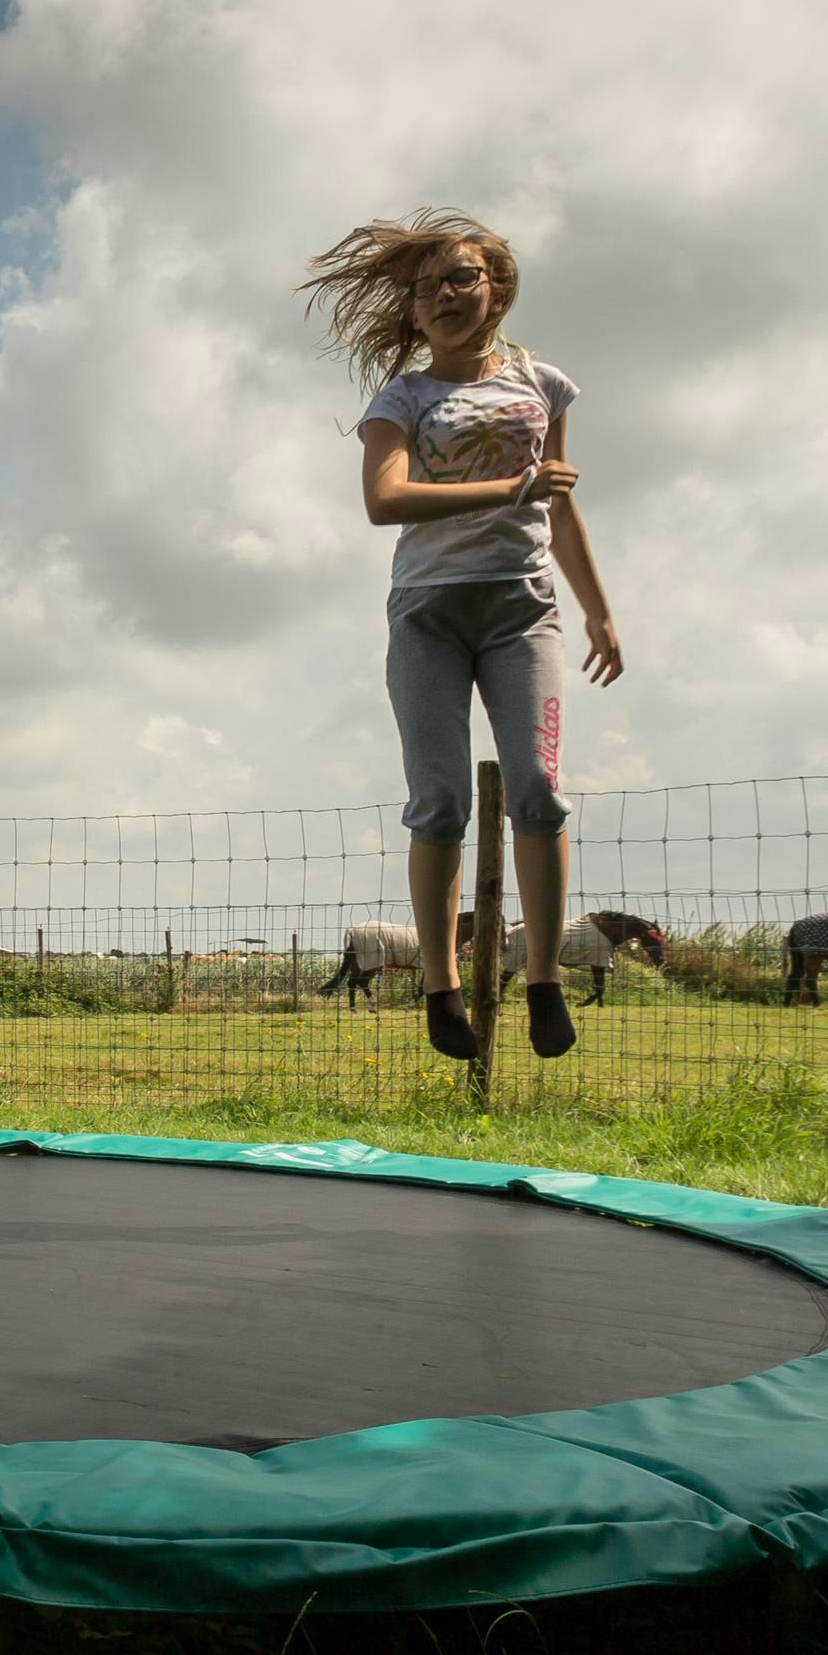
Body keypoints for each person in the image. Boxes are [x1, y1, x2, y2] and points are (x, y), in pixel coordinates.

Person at [298, 209, 625, 1062]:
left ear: (496, 288)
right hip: (429, 615)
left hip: (523, 609)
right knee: (439, 801)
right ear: (411, 311)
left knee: (539, 789)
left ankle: (544, 978)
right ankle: (441, 989)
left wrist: (597, 608)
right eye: (425, 287)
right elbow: (384, 500)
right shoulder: (402, 399)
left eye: (461, 277)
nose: (443, 295)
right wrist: (509, 489)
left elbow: (560, 503)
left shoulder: (544, 385)